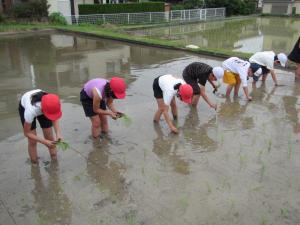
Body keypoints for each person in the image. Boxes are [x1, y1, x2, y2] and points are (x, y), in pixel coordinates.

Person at [18, 90, 62, 164]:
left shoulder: (53, 102)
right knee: (32, 141)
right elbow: (27, 133)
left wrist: (58, 133)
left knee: (50, 137)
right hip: (26, 105)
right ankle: (34, 163)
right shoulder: (30, 111)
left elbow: (54, 117)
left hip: (46, 104)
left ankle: (55, 162)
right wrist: (44, 142)